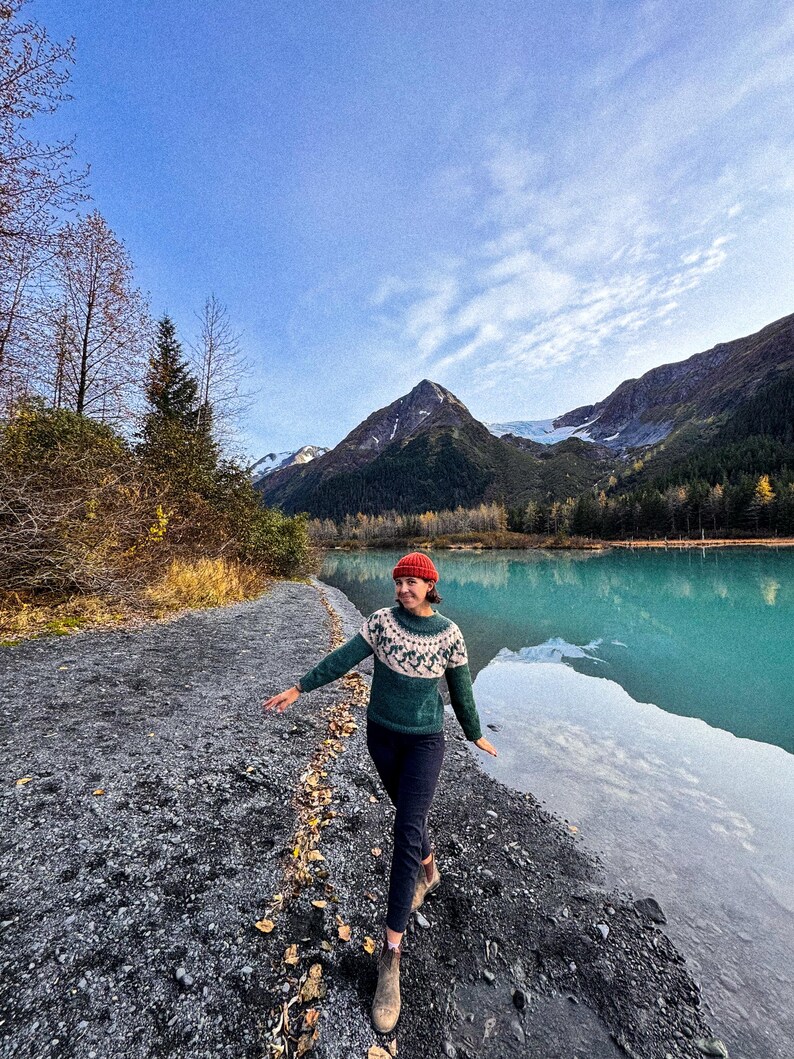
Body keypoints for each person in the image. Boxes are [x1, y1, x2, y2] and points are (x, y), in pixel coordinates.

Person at [263, 551, 497, 1034]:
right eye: (399, 582)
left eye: (413, 582)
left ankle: (391, 955)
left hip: (426, 741)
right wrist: (300, 688)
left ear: (431, 586)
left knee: (405, 827)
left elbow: (460, 689)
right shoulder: (382, 624)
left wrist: (474, 733)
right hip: (381, 736)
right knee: (410, 821)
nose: (403, 589)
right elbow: (344, 657)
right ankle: (428, 871)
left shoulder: (450, 634)